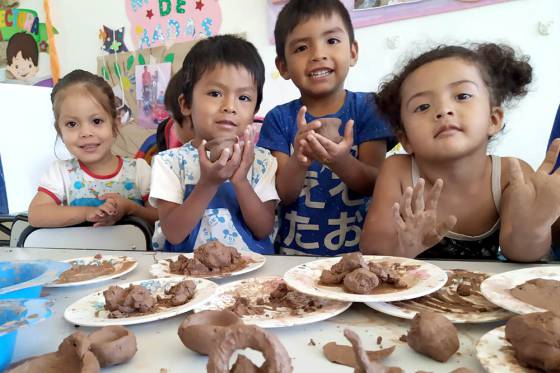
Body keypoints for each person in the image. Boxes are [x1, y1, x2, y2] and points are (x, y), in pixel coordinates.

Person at [360, 43, 560, 262]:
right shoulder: (398, 171)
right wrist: (403, 247)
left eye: (462, 96)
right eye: (423, 106)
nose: (443, 110)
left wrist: (535, 227)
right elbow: (373, 251)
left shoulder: (510, 174)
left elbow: (520, 254)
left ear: (493, 119)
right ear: (406, 139)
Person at [258, 0, 393, 256]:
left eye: (331, 41)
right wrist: (300, 160)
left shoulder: (368, 107)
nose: (318, 54)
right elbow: (283, 195)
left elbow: (375, 183)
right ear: (283, 66)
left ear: (353, 52)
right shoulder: (278, 118)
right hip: (293, 256)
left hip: (360, 255)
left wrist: (340, 161)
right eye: (301, 47)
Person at [149, 34, 279, 253]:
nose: (230, 106)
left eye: (244, 98)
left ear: (255, 110)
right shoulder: (169, 163)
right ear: (186, 104)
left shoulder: (262, 161)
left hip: (250, 278)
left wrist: (240, 181)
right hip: (190, 278)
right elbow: (173, 232)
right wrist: (208, 184)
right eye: (215, 93)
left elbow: (263, 229)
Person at [28, 69, 158, 228]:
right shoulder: (61, 173)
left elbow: (161, 218)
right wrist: (86, 212)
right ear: (60, 131)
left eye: (96, 121)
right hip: (78, 253)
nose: (85, 133)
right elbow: (36, 215)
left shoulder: (139, 171)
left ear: (115, 123)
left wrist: (131, 209)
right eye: (72, 124)